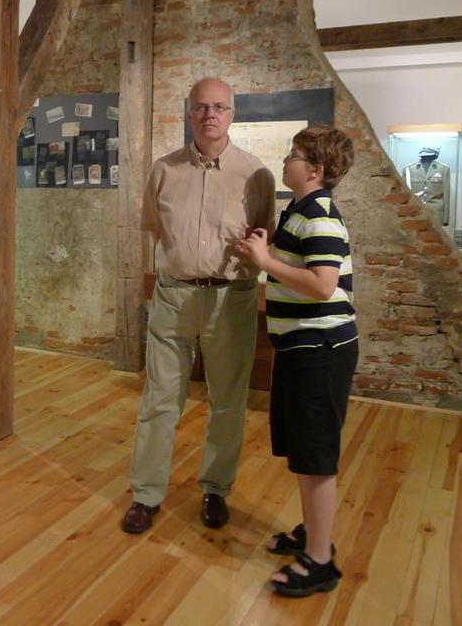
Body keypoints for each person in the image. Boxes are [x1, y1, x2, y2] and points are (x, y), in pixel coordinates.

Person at [121, 77, 276, 535]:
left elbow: (264, 235)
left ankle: (215, 489)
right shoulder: (163, 170)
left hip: (232, 299)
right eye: (202, 107)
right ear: (189, 114)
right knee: (158, 400)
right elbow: (155, 227)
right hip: (175, 296)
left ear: (233, 114)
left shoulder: (256, 174)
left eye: (220, 107)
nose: (211, 115)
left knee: (227, 400)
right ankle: (146, 494)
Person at [236, 124, 357, 597]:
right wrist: (263, 251)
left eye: (294, 155)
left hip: (320, 352)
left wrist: (265, 262)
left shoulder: (319, 213)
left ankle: (320, 562)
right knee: (305, 453)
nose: (285, 161)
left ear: (316, 169)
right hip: (302, 348)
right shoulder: (300, 209)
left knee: (315, 458)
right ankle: (314, 535)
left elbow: (323, 284)